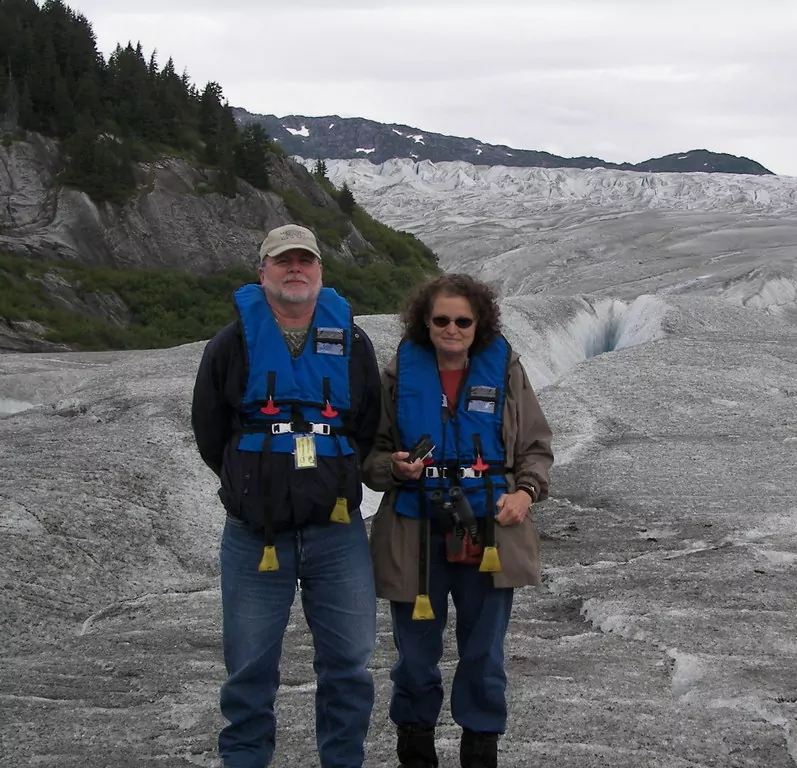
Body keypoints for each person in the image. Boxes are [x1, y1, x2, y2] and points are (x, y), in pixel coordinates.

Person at [191, 223, 381, 768]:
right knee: (249, 668)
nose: (295, 269)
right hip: (256, 534)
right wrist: (252, 481)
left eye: (306, 261)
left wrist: (332, 476)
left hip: (336, 529)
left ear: (320, 271)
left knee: (349, 664)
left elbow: (365, 423)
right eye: (283, 261)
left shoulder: (353, 342)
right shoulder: (230, 344)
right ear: (263, 272)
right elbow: (211, 429)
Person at [363, 274, 554, 768]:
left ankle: (480, 752)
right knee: (416, 655)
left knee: (484, 654)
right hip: (416, 531)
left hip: (489, 531)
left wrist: (525, 493)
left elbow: (535, 447)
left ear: (479, 324)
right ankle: (416, 750)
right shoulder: (399, 374)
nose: (452, 328)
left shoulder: (506, 371)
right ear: (425, 322)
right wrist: (393, 467)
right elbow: (371, 455)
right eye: (441, 319)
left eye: (462, 320)